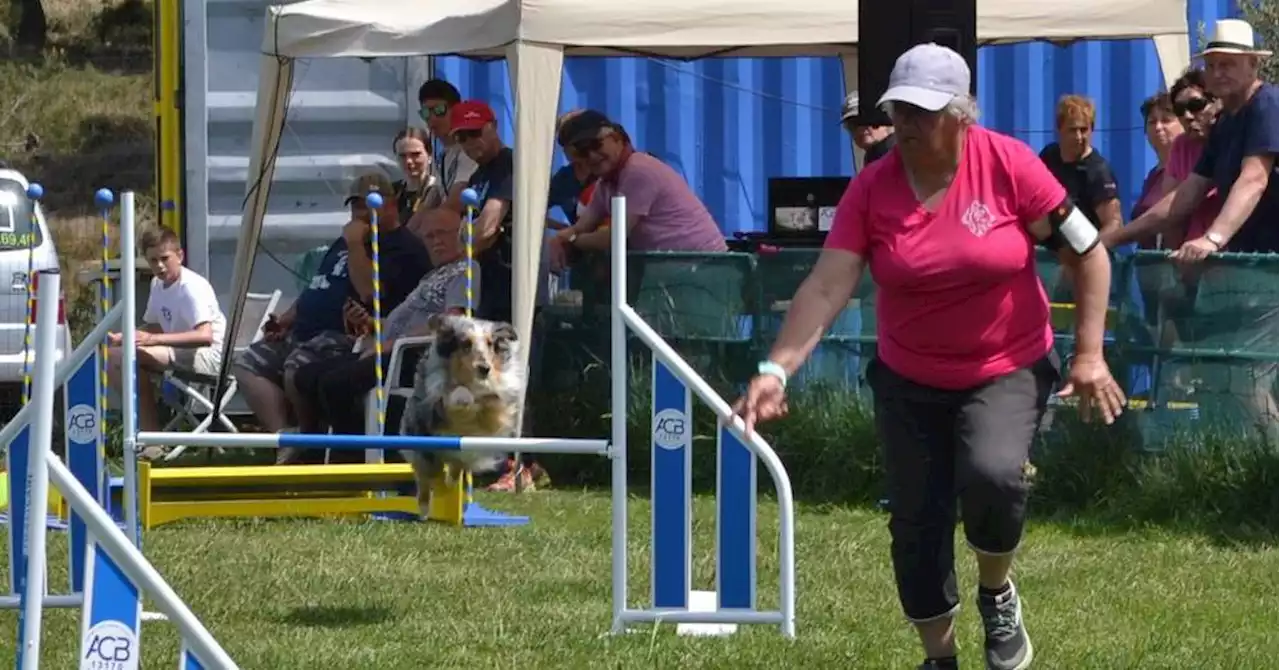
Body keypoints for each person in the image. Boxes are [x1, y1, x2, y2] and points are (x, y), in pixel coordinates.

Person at [733, 44, 1125, 670]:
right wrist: (777, 369)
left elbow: (1089, 253)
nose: (908, 123)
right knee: (917, 522)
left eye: (924, 111)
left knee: (994, 476)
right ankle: (939, 657)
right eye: (900, 109)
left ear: (962, 114)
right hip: (910, 377)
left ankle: (996, 591)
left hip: (1007, 364)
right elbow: (828, 284)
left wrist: (1090, 355)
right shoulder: (872, 189)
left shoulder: (1012, 165)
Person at [233, 172, 432, 464]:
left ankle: (313, 444)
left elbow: (369, 292)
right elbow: (320, 283)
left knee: (296, 366)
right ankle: (288, 438)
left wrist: (356, 246)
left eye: (369, 205)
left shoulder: (402, 247)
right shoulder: (344, 241)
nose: (361, 213)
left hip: (347, 335)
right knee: (248, 364)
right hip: (303, 330)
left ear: (392, 204)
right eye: (356, 205)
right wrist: (286, 320)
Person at [295, 204, 477, 453]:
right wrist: (371, 325)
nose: (435, 242)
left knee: (334, 384)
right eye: (429, 236)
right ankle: (312, 452)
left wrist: (389, 345)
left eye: (443, 234)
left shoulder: (466, 270)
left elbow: (453, 321)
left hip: (414, 356)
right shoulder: (433, 275)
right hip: (388, 349)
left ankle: (350, 460)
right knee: (306, 376)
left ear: (461, 234)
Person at [548, 110, 728, 266]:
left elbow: (613, 238)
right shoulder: (606, 183)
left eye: (596, 145)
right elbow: (582, 226)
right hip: (677, 268)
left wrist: (571, 240)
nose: (592, 156)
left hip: (705, 266)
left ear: (617, 138)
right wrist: (559, 239)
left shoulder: (638, 170)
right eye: (582, 152)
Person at [107, 227, 226, 458]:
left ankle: (152, 438)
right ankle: (149, 435)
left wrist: (151, 340)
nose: (159, 266)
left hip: (210, 356)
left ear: (179, 256)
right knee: (114, 356)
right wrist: (126, 336)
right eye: (153, 260)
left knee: (126, 356)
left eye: (165, 259)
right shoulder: (156, 284)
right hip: (181, 352)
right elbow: (153, 327)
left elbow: (205, 336)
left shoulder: (191, 287)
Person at [1039, 95, 1123, 240]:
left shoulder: (1099, 171)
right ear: (1060, 129)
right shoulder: (1049, 157)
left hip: (1083, 255)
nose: (1079, 137)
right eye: (1072, 130)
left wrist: (1089, 252)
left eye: (1084, 130)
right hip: (1048, 254)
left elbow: (1114, 224)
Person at [1130, 93, 1184, 243]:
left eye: (1166, 121)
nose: (1158, 128)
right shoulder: (1153, 175)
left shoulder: (1190, 171)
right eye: (1152, 122)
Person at [417, 79, 477, 214]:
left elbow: (454, 204)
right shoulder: (443, 156)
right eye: (426, 113)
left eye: (439, 110)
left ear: (457, 110)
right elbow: (431, 201)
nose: (432, 118)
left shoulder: (468, 152)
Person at [840, 91, 897, 165]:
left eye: (866, 119)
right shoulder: (873, 157)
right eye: (853, 123)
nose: (860, 128)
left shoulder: (902, 153)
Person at [393, 127, 434, 221]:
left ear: (430, 155)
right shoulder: (391, 193)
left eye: (415, 154)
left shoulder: (438, 191)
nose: (409, 161)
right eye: (402, 156)